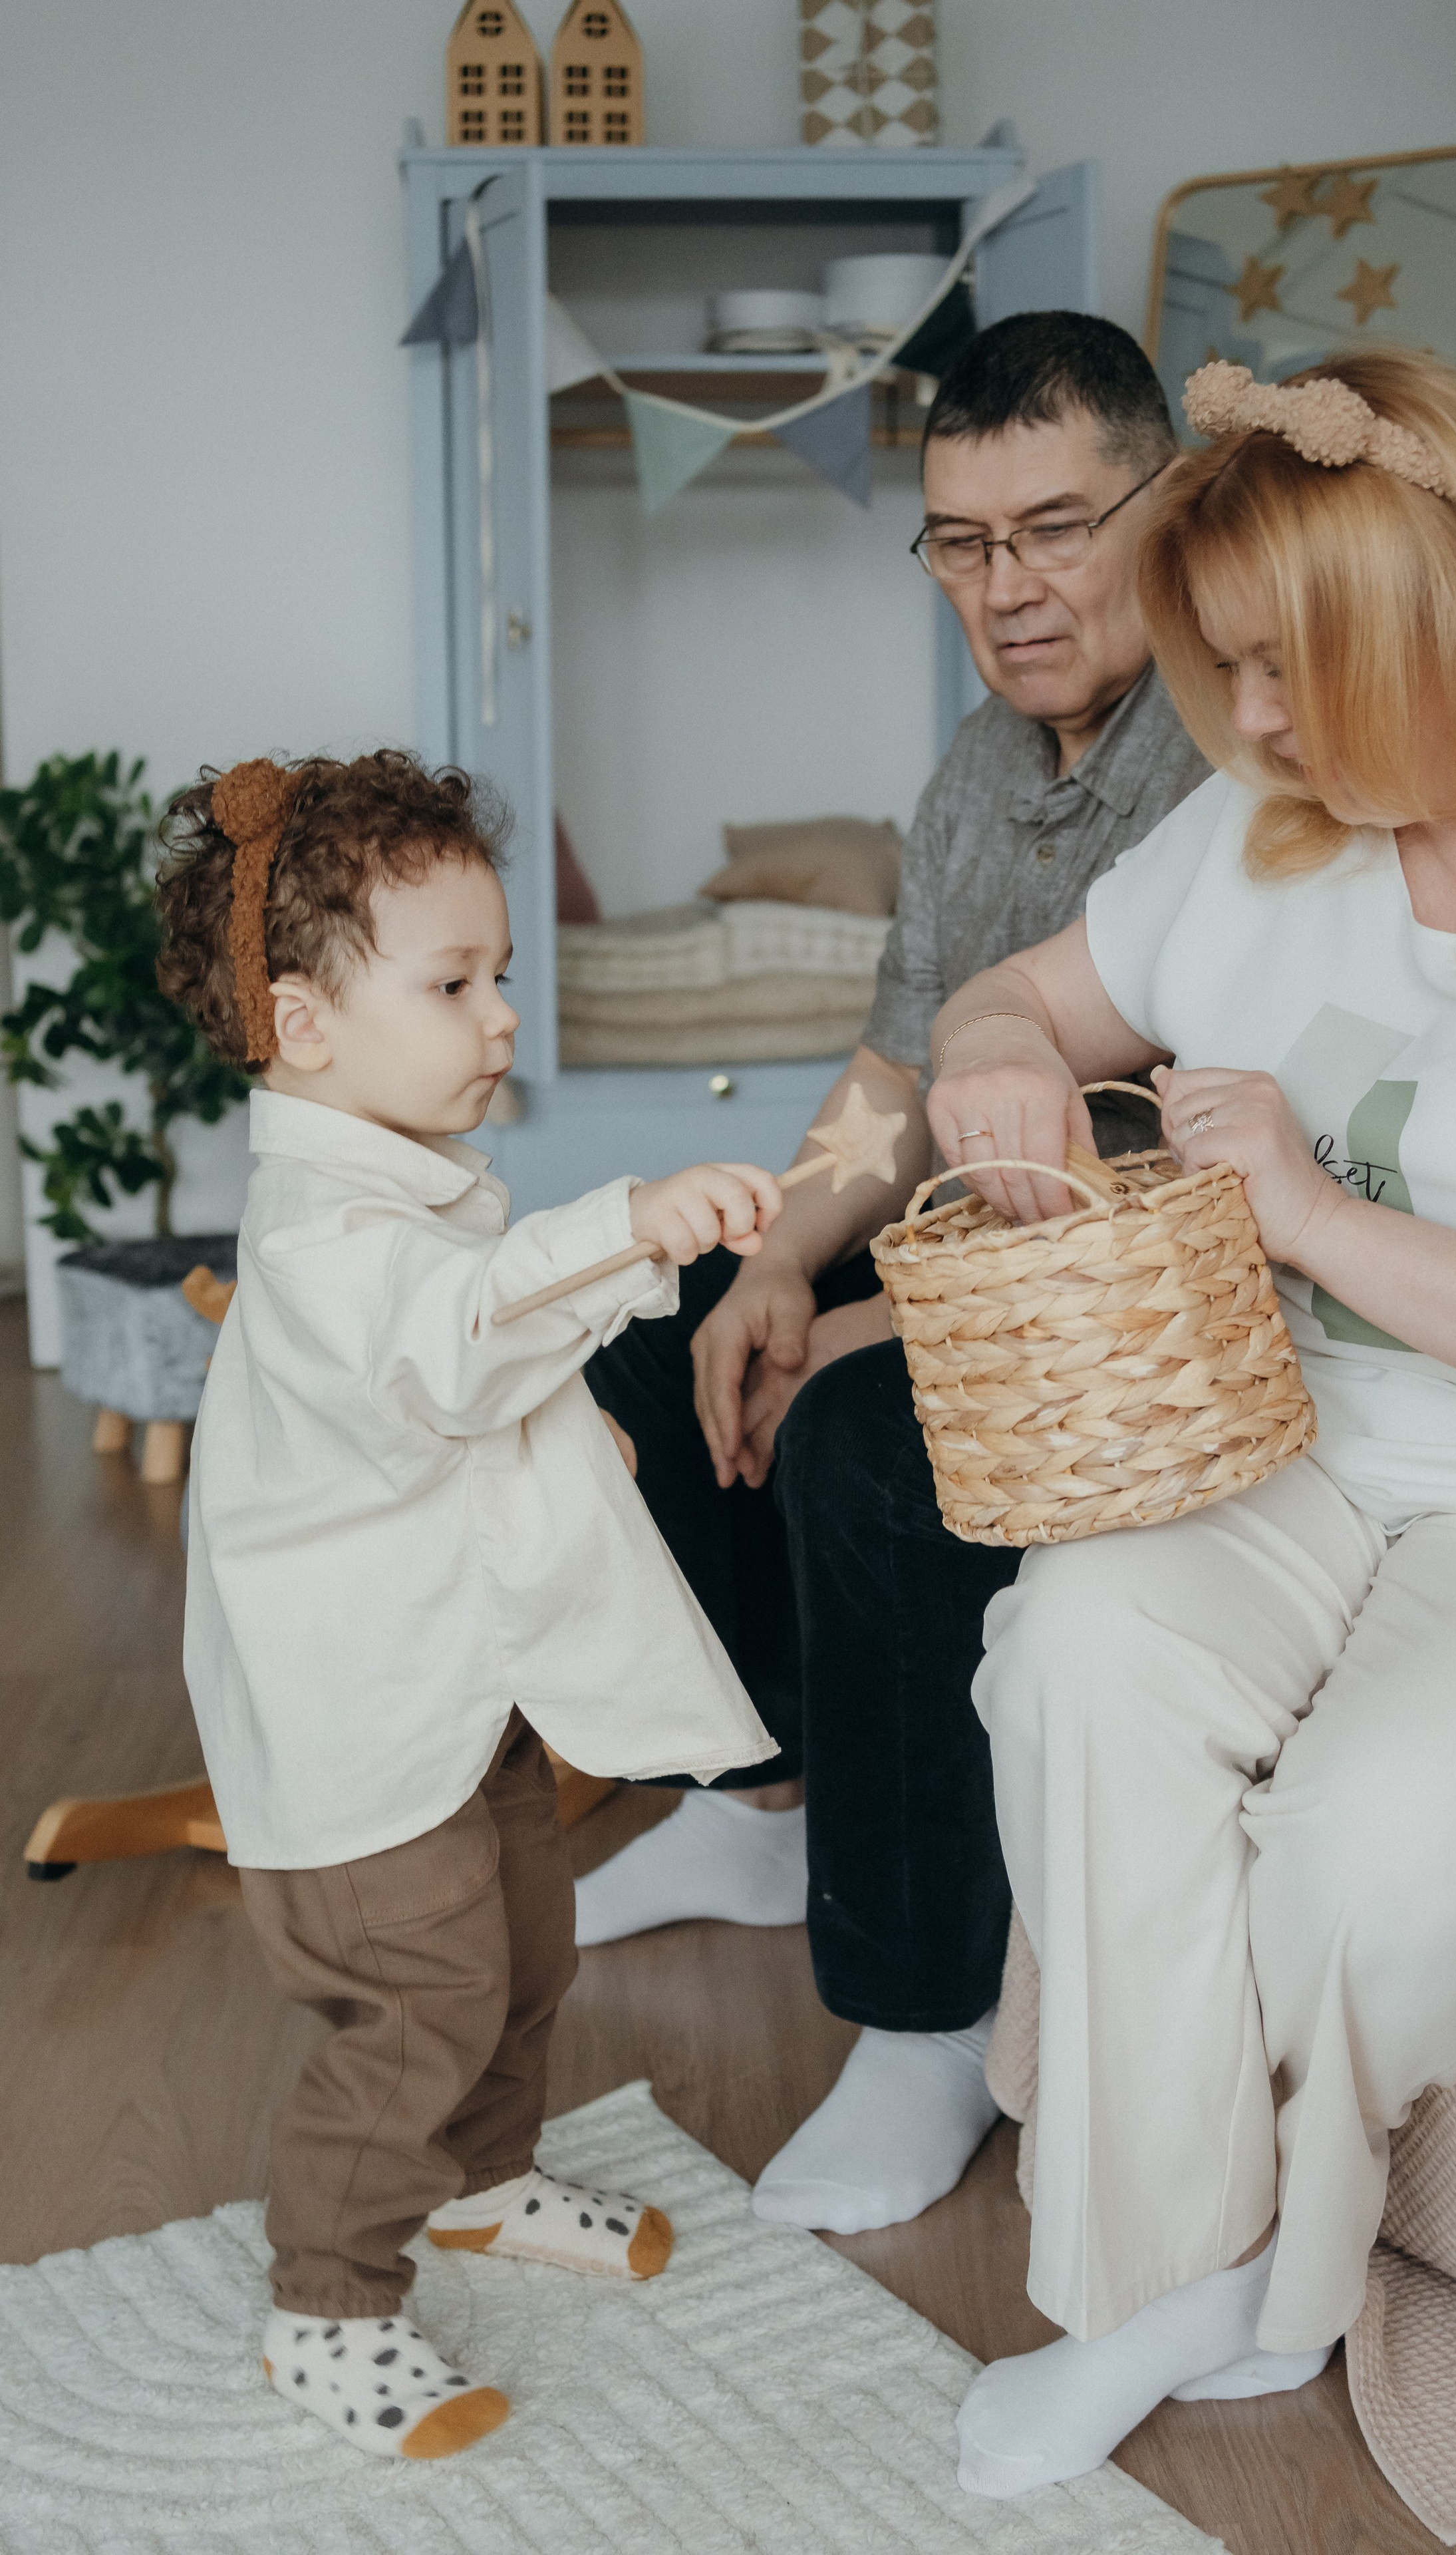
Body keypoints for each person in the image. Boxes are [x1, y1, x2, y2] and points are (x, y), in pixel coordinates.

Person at [919, 349, 1456, 2498]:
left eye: (1287, 670)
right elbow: (1026, 998)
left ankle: (1285, 2279)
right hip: (1304, 1443)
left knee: (1386, 1853)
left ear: (1455, 617)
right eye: (1224, 667)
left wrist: (1316, 1216)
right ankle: (1156, 2277)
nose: (1245, 722)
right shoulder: (1272, 833)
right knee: (1076, 1647)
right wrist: (990, 1057)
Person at [581, 312, 1209, 2236]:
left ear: (1166, 506)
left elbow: (1189, 1164)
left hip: (1141, 1310)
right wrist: (780, 1256)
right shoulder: (968, 772)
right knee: (650, 1338)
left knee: (860, 1432)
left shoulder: (1230, 755)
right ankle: (764, 1805)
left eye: (1053, 529)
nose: (1005, 591)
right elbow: (893, 1071)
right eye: (959, 541)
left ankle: (929, 2013)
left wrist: (873, 1316)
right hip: (953, 1266)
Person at [156, 751, 781, 2459]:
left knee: (526, 1941)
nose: (499, 1018)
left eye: (498, 975)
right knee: (418, 1998)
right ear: (304, 1027)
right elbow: (447, 1348)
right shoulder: (319, 1241)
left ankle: (482, 2179)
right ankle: (328, 2306)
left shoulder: (409, 1184)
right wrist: (635, 1222)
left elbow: (476, 1394)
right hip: (360, 1719)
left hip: (462, 1685)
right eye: (452, 984)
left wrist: (578, 1451)